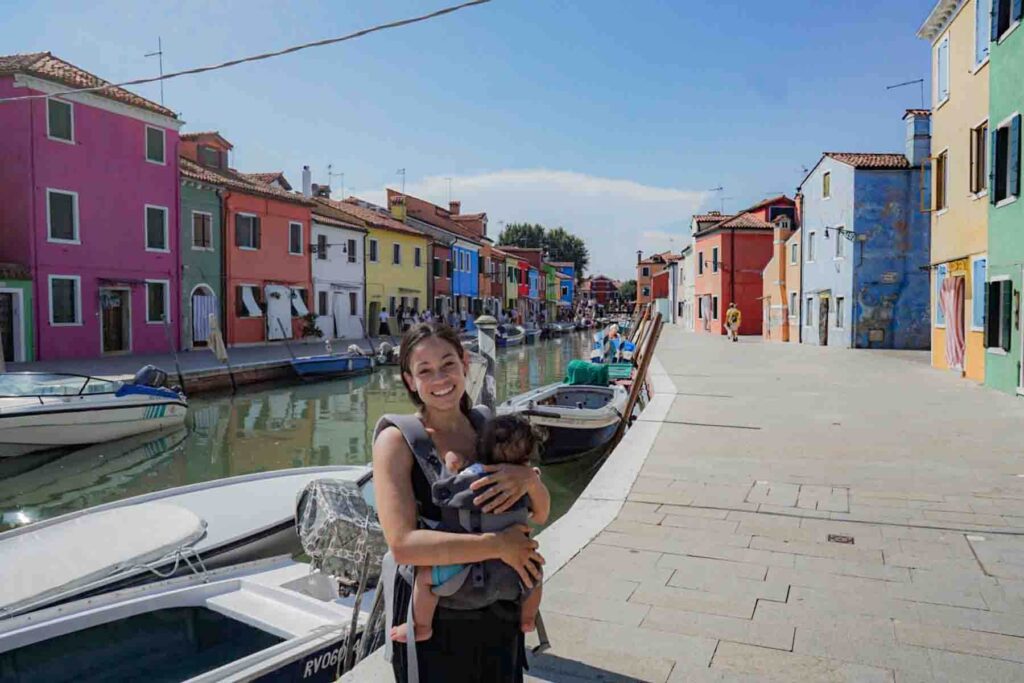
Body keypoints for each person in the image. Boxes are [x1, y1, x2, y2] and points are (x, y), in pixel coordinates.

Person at [373, 323, 549, 682]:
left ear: (465, 363)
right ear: (410, 380)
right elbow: (403, 545)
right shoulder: (397, 442)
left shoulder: (488, 426)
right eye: (425, 370)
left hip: (500, 611)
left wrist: (529, 480)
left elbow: (541, 514)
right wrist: (496, 545)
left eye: (448, 364)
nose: (440, 378)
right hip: (437, 621)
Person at [390, 414, 544, 644]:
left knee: (424, 579)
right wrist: (532, 479)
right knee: (537, 575)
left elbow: (444, 493)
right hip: (514, 572)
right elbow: (541, 515)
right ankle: (528, 618)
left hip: (462, 572)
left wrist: (454, 463)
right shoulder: (524, 483)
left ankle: (421, 625)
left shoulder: (473, 474)